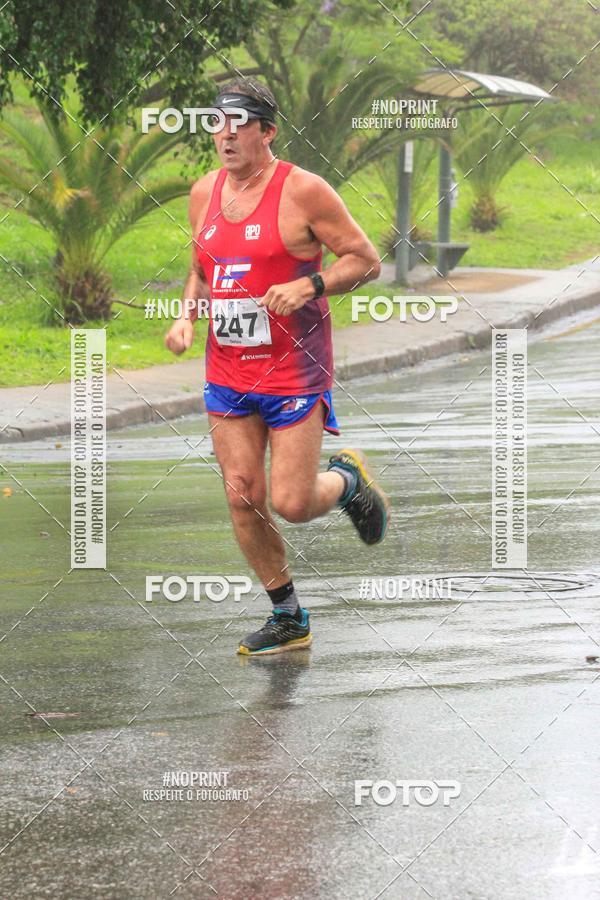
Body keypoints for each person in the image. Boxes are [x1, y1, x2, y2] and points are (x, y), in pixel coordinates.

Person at [165, 78, 390, 655]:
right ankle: (288, 616)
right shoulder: (203, 193)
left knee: (290, 504)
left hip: (294, 369)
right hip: (229, 371)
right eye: (218, 122)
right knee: (242, 494)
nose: (227, 133)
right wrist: (187, 317)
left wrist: (310, 285)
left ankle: (345, 481)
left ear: (268, 131)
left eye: (240, 122)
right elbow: (201, 266)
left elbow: (366, 262)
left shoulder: (304, 191)